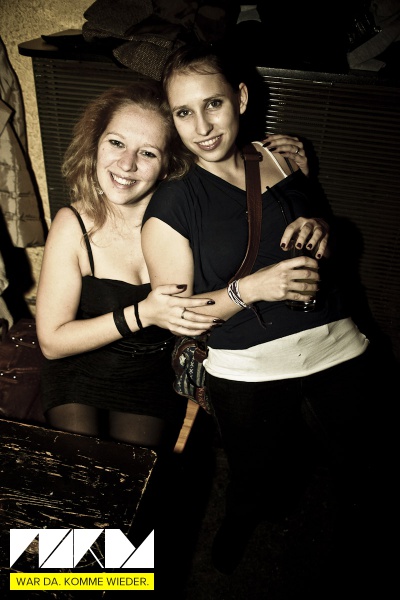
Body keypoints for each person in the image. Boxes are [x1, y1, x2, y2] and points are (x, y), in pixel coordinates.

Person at [141, 42, 377, 576]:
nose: (202, 126)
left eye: (213, 104)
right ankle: (238, 522)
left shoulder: (278, 158)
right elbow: (181, 317)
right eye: (183, 112)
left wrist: (324, 228)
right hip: (250, 366)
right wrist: (253, 288)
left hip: (339, 345)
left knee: (364, 470)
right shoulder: (175, 201)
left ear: (241, 98)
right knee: (255, 479)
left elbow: (326, 251)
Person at [35, 82, 222, 453]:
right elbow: (52, 343)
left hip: (151, 375)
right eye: (116, 143)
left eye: (147, 152)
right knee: (82, 463)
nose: (126, 164)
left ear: (169, 165)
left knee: (133, 467)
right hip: (78, 369)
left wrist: (276, 165)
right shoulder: (73, 224)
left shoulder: (186, 225)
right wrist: (143, 313)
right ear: (96, 145)